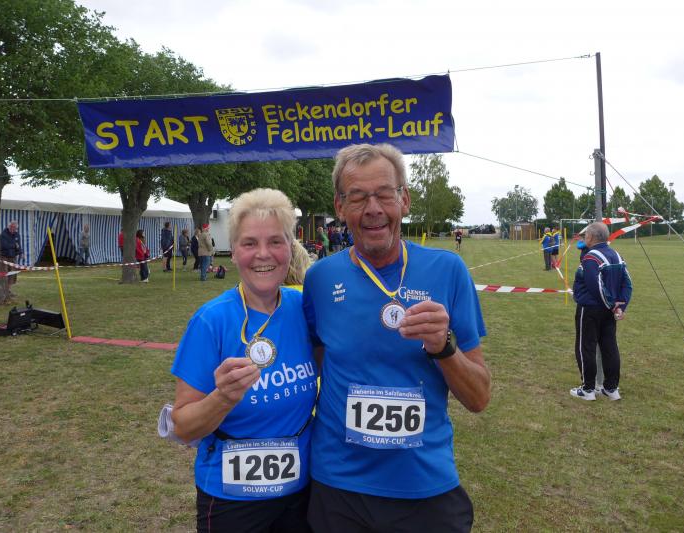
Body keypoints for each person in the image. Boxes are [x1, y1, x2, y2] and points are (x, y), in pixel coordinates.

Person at [302, 143, 490, 533]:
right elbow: (317, 366)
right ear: (340, 207)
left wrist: (444, 347)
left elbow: (478, 398)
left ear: (404, 200)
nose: (373, 208)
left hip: (424, 485)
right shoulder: (319, 279)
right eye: (358, 197)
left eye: (384, 194)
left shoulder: (448, 270)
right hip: (338, 487)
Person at [170, 188, 316, 533]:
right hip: (231, 500)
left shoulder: (306, 309)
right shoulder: (210, 321)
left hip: (301, 493)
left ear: (290, 247)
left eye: (275, 241)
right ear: (234, 252)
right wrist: (222, 398)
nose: (263, 254)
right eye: (249, 243)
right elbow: (183, 427)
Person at [570, 222, 632, 401]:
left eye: (586, 235)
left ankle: (588, 389)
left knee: (586, 347)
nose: (584, 238)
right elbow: (627, 284)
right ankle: (611, 388)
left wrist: (614, 306)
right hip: (609, 311)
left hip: (590, 309)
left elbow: (596, 286)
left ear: (591, 237)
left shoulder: (591, 258)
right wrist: (619, 306)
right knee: (609, 346)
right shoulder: (616, 255)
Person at [0, 221, 22, 286]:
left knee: (13, 273)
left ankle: (9, 288)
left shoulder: (17, 235)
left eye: (15, 228)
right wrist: (14, 245)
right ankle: (4, 287)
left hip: (13, 256)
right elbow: (4, 246)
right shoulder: (3, 235)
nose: (13, 229)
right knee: (4, 273)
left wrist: (21, 252)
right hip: (4, 256)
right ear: (8, 227)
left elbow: (18, 245)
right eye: (11, 227)